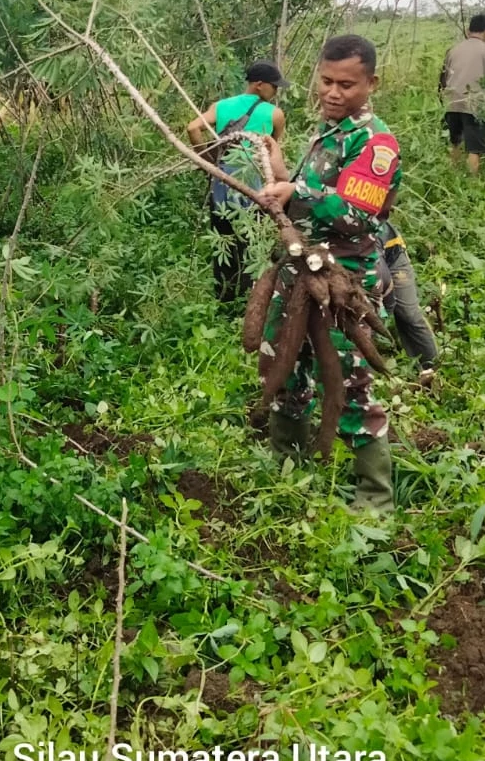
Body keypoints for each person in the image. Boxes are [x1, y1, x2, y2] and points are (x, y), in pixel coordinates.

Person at [258, 35, 399, 512]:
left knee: (348, 380)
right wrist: (281, 179)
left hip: (344, 281)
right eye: (326, 81)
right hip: (302, 268)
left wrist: (293, 192)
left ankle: (374, 500)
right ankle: (286, 461)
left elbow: (355, 214)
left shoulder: (375, 142)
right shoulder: (327, 131)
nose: (333, 92)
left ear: (371, 83)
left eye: (346, 84)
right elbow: (308, 194)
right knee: (283, 361)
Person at [186, 61, 288, 303]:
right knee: (256, 244)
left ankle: (225, 299)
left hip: (222, 186)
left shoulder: (221, 106)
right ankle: (255, 300)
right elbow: (273, 148)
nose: (276, 91)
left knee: (224, 243)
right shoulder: (274, 114)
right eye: (274, 86)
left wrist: (208, 160)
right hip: (257, 190)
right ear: (259, 85)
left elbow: (192, 128)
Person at [375, 218, 437, 376]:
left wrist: (384, 310)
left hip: (392, 258)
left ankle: (432, 367)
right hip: (367, 263)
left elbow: (382, 276)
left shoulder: (364, 228)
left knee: (408, 313)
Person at [439, 12, 485, 175]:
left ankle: (453, 177)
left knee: (455, 143)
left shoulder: (452, 50)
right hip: (475, 104)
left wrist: (442, 102)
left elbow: (442, 79)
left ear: (468, 31)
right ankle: (472, 186)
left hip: (452, 103)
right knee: (474, 149)